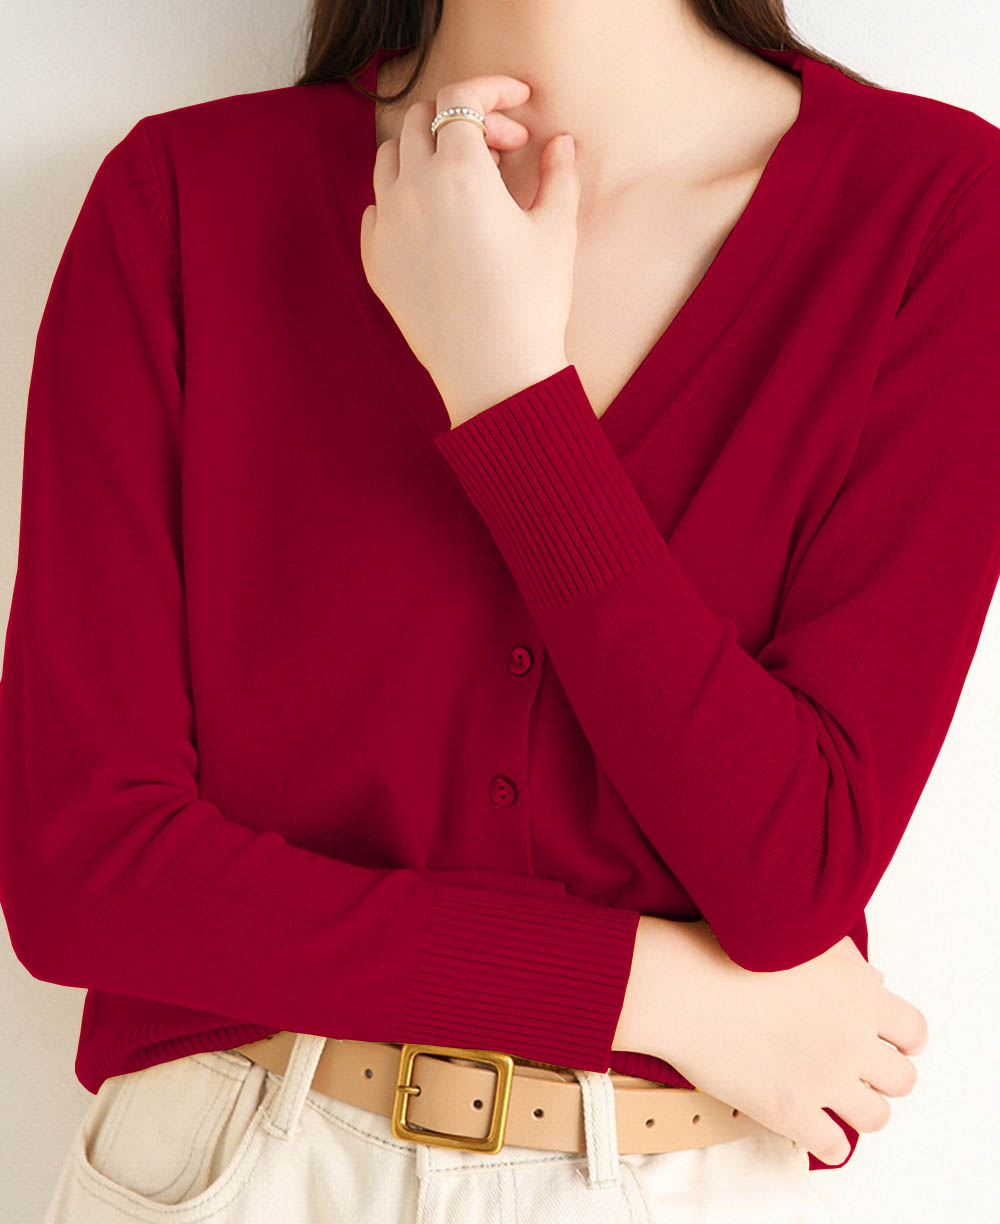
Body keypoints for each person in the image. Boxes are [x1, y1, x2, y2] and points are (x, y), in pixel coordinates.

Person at [3, 0, 997, 1220]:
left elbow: (792, 873)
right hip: (241, 1165)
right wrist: (633, 990)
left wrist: (505, 385)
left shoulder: (931, 210)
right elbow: (85, 872)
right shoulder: (183, 195)